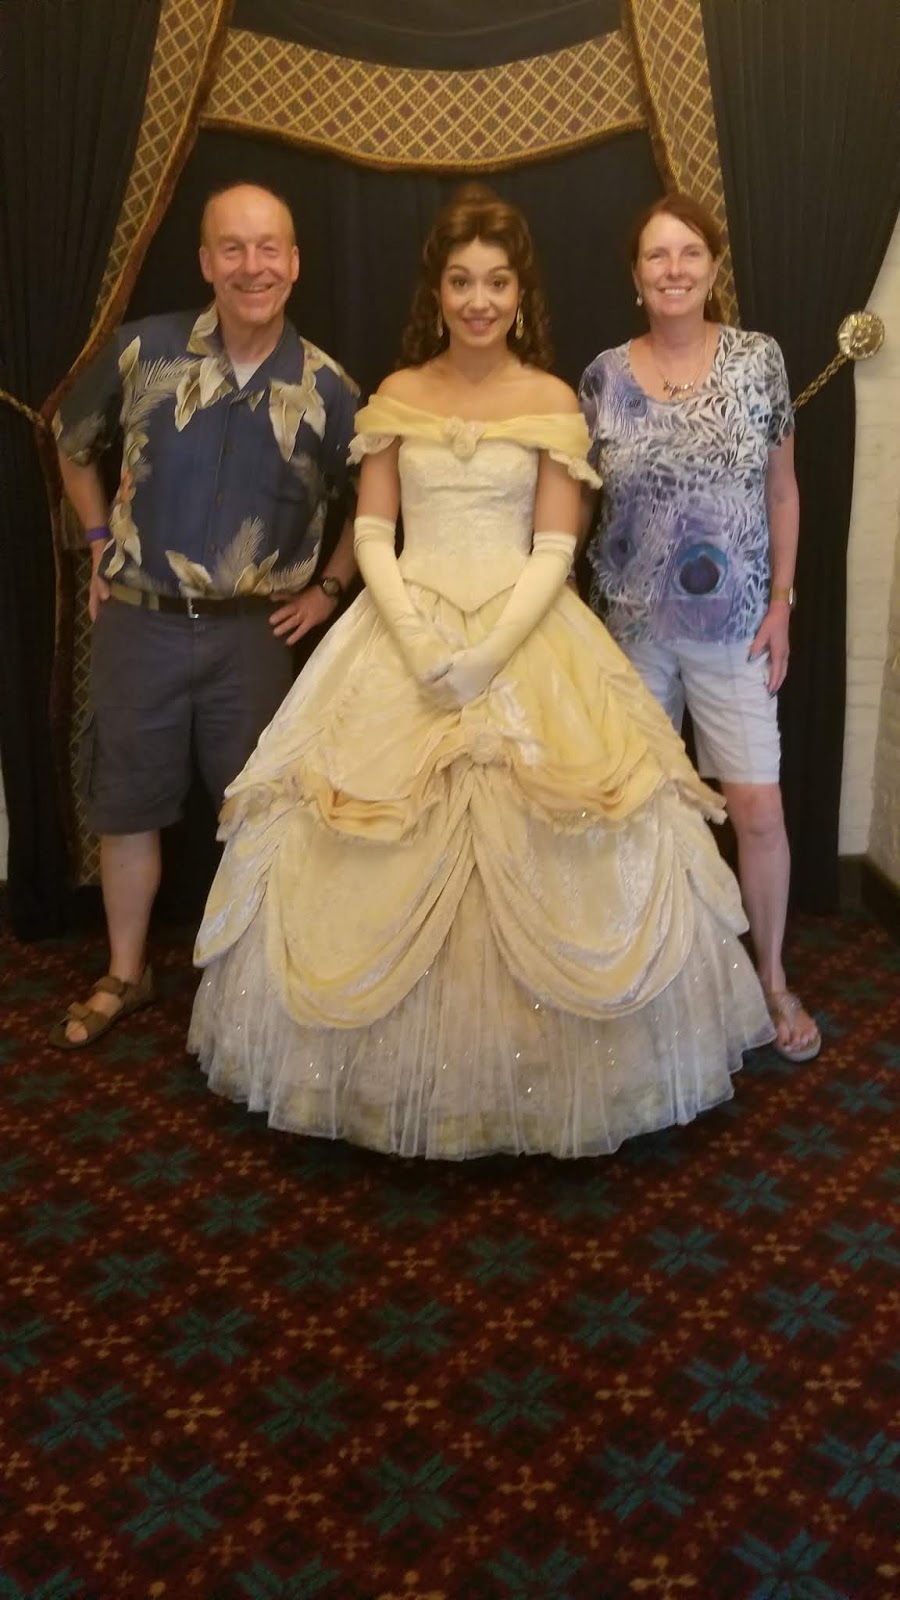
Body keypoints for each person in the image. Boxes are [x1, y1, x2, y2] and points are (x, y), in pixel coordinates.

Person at [189, 182, 774, 1160]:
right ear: (439, 290)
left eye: (496, 281)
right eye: (461, 280)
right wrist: (418, 642)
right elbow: (371, 531)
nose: (478, 299)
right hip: (403, 628)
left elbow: (555, 548)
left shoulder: (550, 400)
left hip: (523, 633)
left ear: (519, 293)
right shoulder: (398, 392)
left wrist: (489, 654)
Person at [49, 183, 359, 1048]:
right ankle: (125, 972)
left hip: (252, 636)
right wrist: (98, 540)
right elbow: (71, 441)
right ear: (205, 261)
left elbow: (376, 500)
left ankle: (252, 988)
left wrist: (329, 589)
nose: (251, 266)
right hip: (139, 622)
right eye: (233, 248)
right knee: (127, 804)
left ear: (294, 264)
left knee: (256, 813)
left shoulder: (330, 388)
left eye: (268, 248)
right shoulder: (143, 350)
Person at [578, 192, 820, 1065]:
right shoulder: (602, 378)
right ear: (635, 275)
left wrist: (783, 600)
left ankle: (770, 978)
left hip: (737, 628)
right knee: (634, 812)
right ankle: (645, 981)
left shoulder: (759, 362)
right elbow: (577, 503)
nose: (673, 269)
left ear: (714, 267)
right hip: (631, 633)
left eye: (689, 253)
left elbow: (782, 489)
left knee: (757, 809)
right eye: (657, 255)